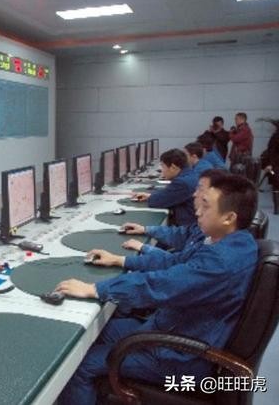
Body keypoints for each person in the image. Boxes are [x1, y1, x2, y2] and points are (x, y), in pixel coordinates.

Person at [55, 175, 259, 405]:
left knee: (79, 366)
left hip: (178, 356)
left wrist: (95, 289)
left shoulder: (222, 261)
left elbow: (160, 285)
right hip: (173, 328)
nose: (197, 211)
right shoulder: (230, 242)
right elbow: (174, 262)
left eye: (206, 206)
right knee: (95, 334)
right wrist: (121, 260)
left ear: (229, 217)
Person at [120, 169, 227, 260]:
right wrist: (145, 229)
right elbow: (182, 234)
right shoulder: (206, 228)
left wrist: (126, 258)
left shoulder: (216, 252)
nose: (194, 194)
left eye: (200, 189)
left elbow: (177, 264)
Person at [131, 149, 198, 225]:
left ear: (173, 167)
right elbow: (168, 193)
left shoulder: (182, 183)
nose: (162, 171)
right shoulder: (190, 174)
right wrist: (150, 195)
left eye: (163, 167)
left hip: (187, 227)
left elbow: (156, 202)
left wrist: (151, 197)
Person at [260, 119, 279, 214]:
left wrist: (271, 164)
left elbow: (271, 151)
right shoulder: (275, 137)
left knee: (276, 185)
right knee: (276, 185)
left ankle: (277, 208)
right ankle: (277, 208)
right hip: (275, 166)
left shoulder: (275, 137)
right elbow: (271, 152)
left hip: (274, 165)